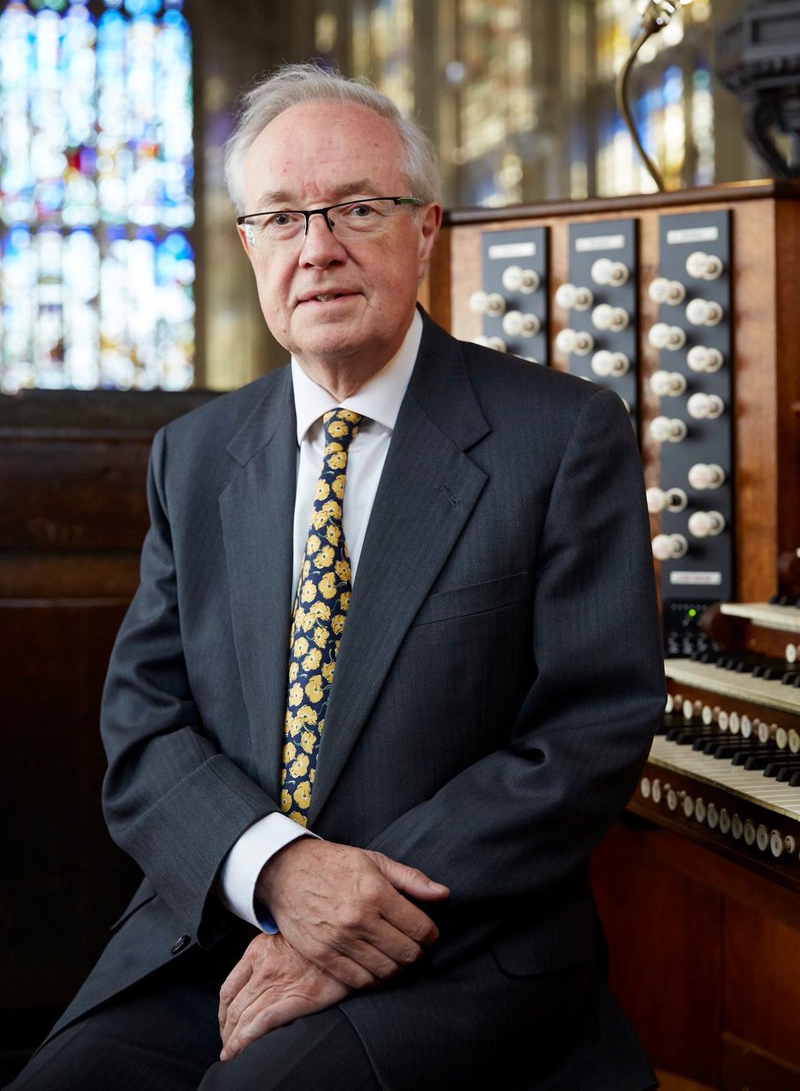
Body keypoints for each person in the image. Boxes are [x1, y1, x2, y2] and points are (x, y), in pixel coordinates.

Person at [9, 64, 666, 1091]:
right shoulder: (194, 454)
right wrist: (277, 870)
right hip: (219, 929)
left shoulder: (559, 434)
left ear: (423, 231)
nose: (317, 248)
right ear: (248, 246)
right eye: (281, 217)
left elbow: (585, 730)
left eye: (357, 208)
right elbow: (143, 729)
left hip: (459, 949)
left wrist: (347, 911)